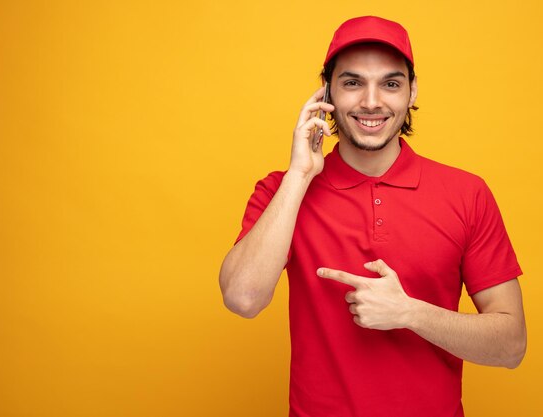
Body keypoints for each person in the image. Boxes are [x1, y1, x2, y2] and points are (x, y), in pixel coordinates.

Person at [219, 16, 526, 417]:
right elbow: (242, 298)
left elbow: (511, 346)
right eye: (352, 82)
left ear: (412, 92)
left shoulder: (467, 194)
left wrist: (410, 312)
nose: (371, 101)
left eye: (391, 83)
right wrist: (299, 175)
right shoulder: (282, 192)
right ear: (326, 92)